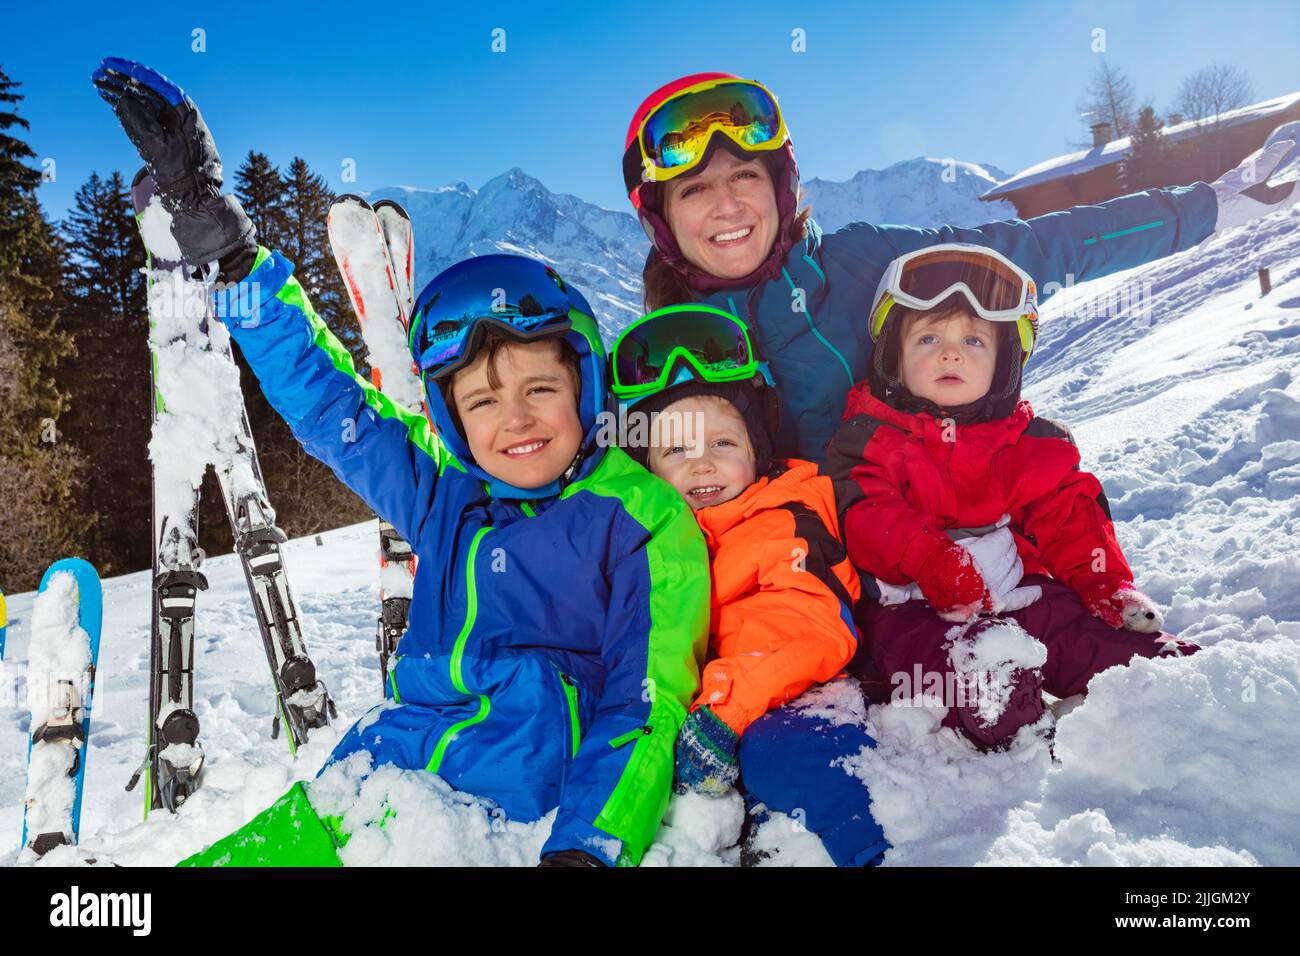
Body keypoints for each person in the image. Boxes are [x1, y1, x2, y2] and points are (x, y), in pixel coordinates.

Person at [93, 58, 710, 867]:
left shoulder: (640, 518)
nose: (515, 422)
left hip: (505, 815)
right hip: (377, 775)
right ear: (453, 421)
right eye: (482, 402)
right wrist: (229, 247)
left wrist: (588, 846)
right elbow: (331, 405)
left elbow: (646, 700)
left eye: (539, 389)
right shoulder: (442, 492)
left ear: (583, 385)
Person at [622, 72, 1300, 465]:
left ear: (780, 187)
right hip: (784, 621)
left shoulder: (865, 263)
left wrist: (1209, 207)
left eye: (744, 174)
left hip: (922, 570)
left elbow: (1039, 248)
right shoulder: (659, 352)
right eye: (695, 189)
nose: (728, 204)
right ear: (664, 219)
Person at [828, 244, 1199, 750]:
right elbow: (868, 514)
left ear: (1005, 364)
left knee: (1084, 633)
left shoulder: (1026, 442)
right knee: (952, 668)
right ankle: (1008, 710)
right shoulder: (869, 439)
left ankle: (1165, 681)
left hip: (1017, 595)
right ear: (893, 354)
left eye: (974, 340)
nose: (950, 352)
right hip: (912, 611)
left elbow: (1067, 511)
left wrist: (1103, 583)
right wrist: (931, 560)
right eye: (929, 337)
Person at [611, 305, 890, 866]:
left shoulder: (783, 517)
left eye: (723, 445)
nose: (703, 466)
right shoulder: (654, 543)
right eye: (677, 451)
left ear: (757, 448)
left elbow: (812, 626)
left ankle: (872, 852)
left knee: (790, 754)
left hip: (795, 700)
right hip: (704, 718)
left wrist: (726, 708)